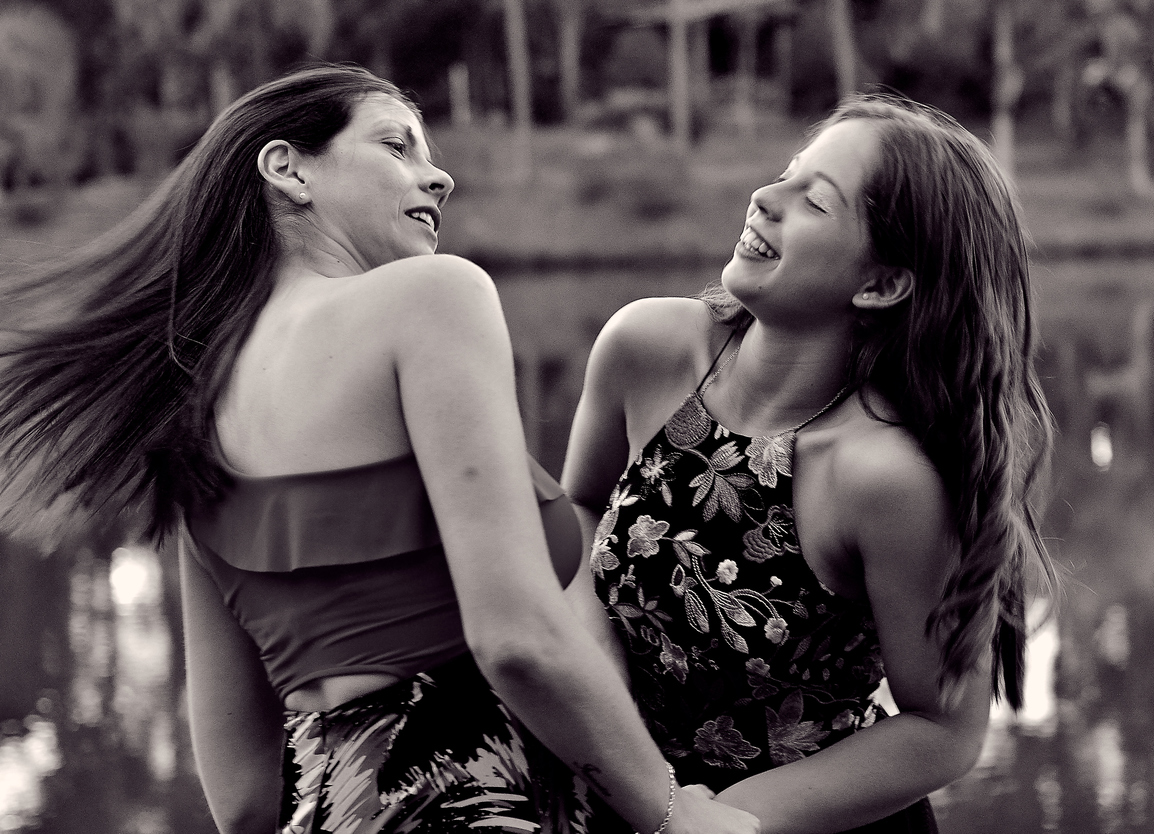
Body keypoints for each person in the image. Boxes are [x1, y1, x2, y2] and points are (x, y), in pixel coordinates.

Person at [0, 65, 761, 834]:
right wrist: (673, 813)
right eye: (397, 146)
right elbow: (517, 640)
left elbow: (244, 798)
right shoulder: (433, 297)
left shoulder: (190, 405)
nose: (441, 177)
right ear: (287, 169)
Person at [561, 92, 1056, 833]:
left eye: (814, 201)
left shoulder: (885, 478)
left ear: (881, 283)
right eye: (786, 173)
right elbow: (577, 508)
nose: (765, 197)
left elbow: (943, 729)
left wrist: (717, 822)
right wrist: (591, 656)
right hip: (616, 796)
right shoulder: (646, 346)